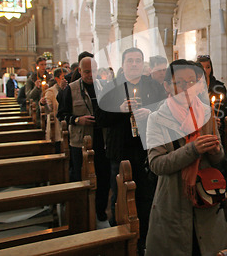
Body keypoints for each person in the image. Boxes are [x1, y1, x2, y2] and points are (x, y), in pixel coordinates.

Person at [145, 59, 227, 256]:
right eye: (180, 82)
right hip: (174, 201)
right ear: (167, 86)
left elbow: (219, 158)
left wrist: (216, 151)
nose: (187, 88)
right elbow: (157, 164)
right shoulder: (156, 119)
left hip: (206, 199)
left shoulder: (206, 114)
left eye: (192, 82)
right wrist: (193, 149)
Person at [95, 47, 166, 255]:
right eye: (130, 61)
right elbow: (100, 119)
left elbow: (165, 108)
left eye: (137, 60)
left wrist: (150, 112)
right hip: (120, 149)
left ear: (142, 64)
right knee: (120, 195)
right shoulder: (110, 87)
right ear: (123, 64)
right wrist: (120, 110)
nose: (134, 64)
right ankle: (118, 236)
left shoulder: (153, 85)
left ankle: (143, 238)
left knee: (146, 195)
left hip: (146, 149)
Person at [57, 57, 111, 228]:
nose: (90, 75)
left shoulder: (105, 87)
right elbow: (61, 115)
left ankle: (100, 211)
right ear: (79, 71)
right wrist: (77, 119)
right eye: (87, 72)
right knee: (80, 178)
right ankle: (81, 213)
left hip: (102, 141)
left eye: (93, 71)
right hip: (80, 142)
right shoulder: (71, 89)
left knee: (103, 178)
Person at [196, 55, 227, 140]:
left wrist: (218, 118)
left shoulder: (219, 86)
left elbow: (225, 106)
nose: (205, 70)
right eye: (202, 67)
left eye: (207, 67)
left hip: (217, 124)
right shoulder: (193, 86)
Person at [40, 67, 68, 153]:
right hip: (56, 126)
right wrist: (43, 103)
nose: (66, 80)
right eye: (64, 77)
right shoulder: (51, 91)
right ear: (57, 78)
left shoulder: (70, 89)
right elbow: (49, 110)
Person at [25, 56, 52, 126]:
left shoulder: (50, 78)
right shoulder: (31, 79)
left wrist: (48, 89)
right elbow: (29, 96)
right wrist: (36, 88)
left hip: (49, 104)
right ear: (37, 65)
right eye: (41, 64)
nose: (44, 67)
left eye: (45, 64)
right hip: (37, 106)